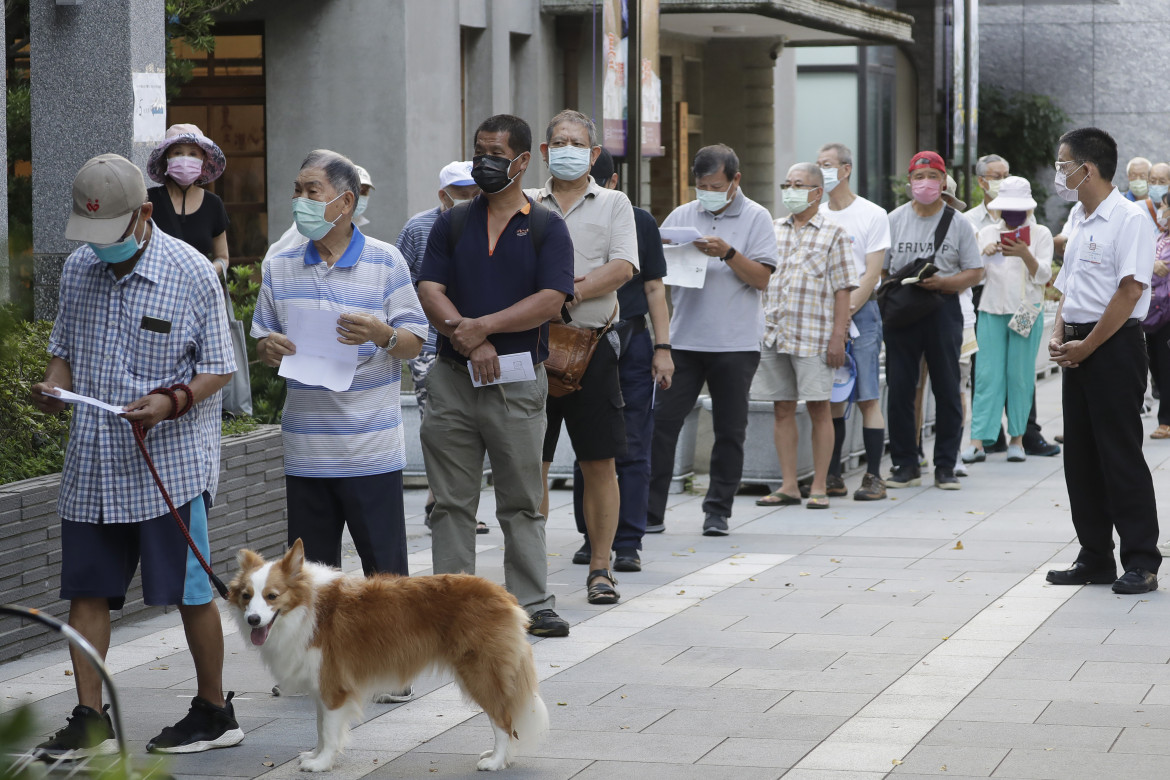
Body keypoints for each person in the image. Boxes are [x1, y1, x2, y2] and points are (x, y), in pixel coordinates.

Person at [30, 154, 242, 756]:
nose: (99, 249)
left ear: (145, 214)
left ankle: (213, 711)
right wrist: (53, 386)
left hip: (169, 464)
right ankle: (90, 719)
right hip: (93, 461)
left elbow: (219, 368)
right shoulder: (78, 269)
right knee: (87, 592)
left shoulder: (193, 272)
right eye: (89, 237)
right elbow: (62, 348)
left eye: (111, 235)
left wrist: (172, 400)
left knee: (191, 590)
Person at [417, 114, 575, 637]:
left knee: (522, 501)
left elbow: (551, 300)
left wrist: (482, 327)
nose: (485, 162)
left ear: (523, 161)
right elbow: (429, 289)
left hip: (516, 381)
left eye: (496, 154)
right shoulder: (453, 221)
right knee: (451, 502)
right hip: (453, 377)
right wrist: (471, 338)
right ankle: (451, 604)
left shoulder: (548, 226)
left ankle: (533, 602)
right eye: (479, 151)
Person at [252, 149, 427, 579]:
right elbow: (262, 339)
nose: (300, 202)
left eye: (313, 191)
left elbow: (416, 342)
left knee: (386, 583)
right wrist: (268, 348)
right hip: (307, 454)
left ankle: (391, 650)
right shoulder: (279, 266)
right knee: (310, 586)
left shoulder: (386, 261)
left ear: (345, 202)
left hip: (372, 453)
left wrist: (381, 333)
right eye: (297, 191)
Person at [527, 110, 637, 605]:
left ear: (594, 154)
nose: (567, 148)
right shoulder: (524, 203)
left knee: (599, 462)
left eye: (577, 142)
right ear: (544, 152)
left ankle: (600, 566)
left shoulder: (614, 202)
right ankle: (532, 572)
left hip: (593, 346)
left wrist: (561, 294)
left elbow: (622, 267)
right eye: (558, 141)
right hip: (530, 350)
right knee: (533, 462)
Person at [1045, 127, 1160, 594]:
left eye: (1062, 164)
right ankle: (1095, 555)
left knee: (1119, 454)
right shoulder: (1079, 214)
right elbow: (1069, 287)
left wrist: (1087, 345)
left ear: (1085, 169)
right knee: (1082, 458)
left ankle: (1142, 559)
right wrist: (1059, 333)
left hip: (1112, 347)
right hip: (1078, 345)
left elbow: (1130, 289)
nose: (1059, 172)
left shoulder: (1130, 219)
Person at [647, 144, 778, 535]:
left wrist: (728, 252)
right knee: (662, 425)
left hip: (735, 344)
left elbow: (762, 278)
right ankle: (650, 512)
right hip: (684, 341)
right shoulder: (682, 215)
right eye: (701, 185)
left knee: (730, 430)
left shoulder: (757, 217)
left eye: (716, 184)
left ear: (735, 180)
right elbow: (655, 274)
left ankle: (717, 511)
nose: (707, 192)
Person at [570, 148, 674, 573]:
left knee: (631, 443)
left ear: (611, 185)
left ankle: (628, 539)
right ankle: (591, 536)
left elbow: (654, 289)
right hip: (577, 341)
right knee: (587, 445)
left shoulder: (638, 220)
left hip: (629, 340)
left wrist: (663, 349)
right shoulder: (550, 213)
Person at [754, 163, 856, 509]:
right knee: (782, 408)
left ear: (817, 191)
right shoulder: (771, 228)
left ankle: (819, 485)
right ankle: (788, 485)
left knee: (819, 408)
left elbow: (844, 289)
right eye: (787, 184)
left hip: (815, 335)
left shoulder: (835, 233)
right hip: (773, 333)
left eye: (798, 185)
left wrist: (838, 337)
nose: (790, 190)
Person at [883, 151, 983, 490]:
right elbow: (882, 268)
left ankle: (945, 466)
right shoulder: (894, 219)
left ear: (943, 182)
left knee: (947, 387)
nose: (925, 183)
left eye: (932, 176)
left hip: (943, 308)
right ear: (909, 182)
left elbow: (975, 271)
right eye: (918, 176)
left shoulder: (958, 222)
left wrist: (945, 283)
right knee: (900, 388)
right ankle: (905, 463)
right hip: (903, 312)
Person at [395, 160, 482, 531]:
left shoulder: (491, 223)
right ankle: (442, 501)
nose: (469, 201)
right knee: (439, 423)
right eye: (461, 195)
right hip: (430, 343)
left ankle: (447, 501)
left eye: (475, 194)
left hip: (482, 340)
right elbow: (399, 282)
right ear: (443, 195)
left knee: (476, 426)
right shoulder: (418, 227)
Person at [814, 142, 891, 501]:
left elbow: (872, 274)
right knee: (831, 396)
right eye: (818, 165)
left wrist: (844, 320)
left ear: (846, 169)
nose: (822, 171)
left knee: (866, 396)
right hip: (823, 316)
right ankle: (832, 474)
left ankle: (874, 476)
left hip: (862, 314)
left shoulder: (873, 214)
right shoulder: (817, 215)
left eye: (827, 165)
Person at [961, 177, 1053, 464]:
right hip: (991, 310)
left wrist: (1025, 253)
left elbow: (1044, 277)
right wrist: (984, 255)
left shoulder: (1040, 234)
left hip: (1027, 311)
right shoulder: (987, 232)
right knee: (987, 376)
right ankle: (978, 441)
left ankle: (1017, 439)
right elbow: (976, 276)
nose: (1012, 215)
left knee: (1021, 376)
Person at [145, 123, 230, 276]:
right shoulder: (148, 201)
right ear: (166, 159)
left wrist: (206, 272)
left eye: (193, 154)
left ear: (203, 159)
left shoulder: (213, 204)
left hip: (197, 293)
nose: (185, 160)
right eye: (177, 153)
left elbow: (222, 257)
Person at [263, 165, 378, 260]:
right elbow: (273, 261)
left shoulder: (353, 226)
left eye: (364, 191)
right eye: (356, 190)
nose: (359, 196)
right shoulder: (316, 222)